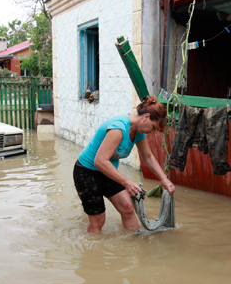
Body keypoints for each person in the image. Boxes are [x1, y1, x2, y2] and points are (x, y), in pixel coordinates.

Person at [73, 96, 175, 233]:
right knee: (99, 219)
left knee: (127, 209)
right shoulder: (118, 128)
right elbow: (100, 161)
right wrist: (127, 182)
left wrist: (164, 179)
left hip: (107, 171)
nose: (150, 133)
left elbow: (148, 157)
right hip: (86, 172)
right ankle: (93, 251)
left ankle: (134, 248)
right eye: (152, 128)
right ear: (146, 117)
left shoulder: (139, 132)